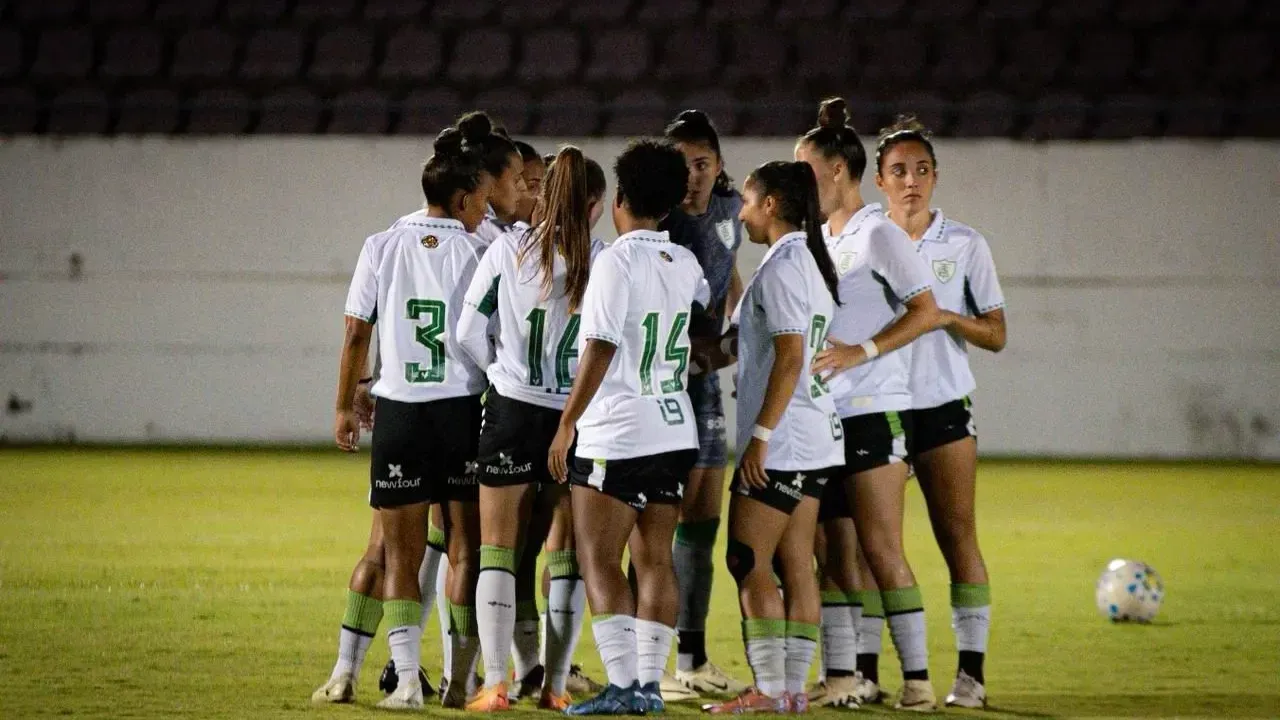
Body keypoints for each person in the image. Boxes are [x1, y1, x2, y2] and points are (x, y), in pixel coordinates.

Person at [330, 117, 494, 710]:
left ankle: (404, 683)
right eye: (479, 199)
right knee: (464, 550)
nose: (484, 208)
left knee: (400, 555)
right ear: (459, 197)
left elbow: (355, 333)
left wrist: (347, 404)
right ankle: (459, 680)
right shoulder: (483, 250)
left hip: (400, 412)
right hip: (459, 412)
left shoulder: (382, 244)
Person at [547, 139, 709, 716]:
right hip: (674, 429)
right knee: (656, 560)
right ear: (667, 205)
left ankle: (623, 685)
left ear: (619, 197)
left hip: (618, 431)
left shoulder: (614, 260)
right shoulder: (685, 263)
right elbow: (704, 315)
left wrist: (567, 423)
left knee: (598, 558)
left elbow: (601, 346)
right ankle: (647, 686)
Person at [797, 98, 943, 712]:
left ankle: (918, 680)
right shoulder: (818, 238)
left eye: (806, 170)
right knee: (831, 554)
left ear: (836, 172)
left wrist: (865, 350)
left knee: (882, 549)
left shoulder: (878, 233)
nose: (797, 182)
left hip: (874, 409)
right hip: (825, 415)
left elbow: (926, 310)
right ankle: (844, 678)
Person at [455, 145, 606, 712]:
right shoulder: (602, 258)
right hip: (575, 415)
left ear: (544, 192)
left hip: (514, 408)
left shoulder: (506, 251)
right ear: (593, 204)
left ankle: (496, 684)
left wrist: (498, 370)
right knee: (563, 551)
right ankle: (556, 686)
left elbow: (466, 331)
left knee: (498, 548)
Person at [699, 161, 844, 714]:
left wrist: (760, 436)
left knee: (747, 560)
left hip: (783, 440)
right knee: (796, 561)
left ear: (772, 205)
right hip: (814, 437)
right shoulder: (808, 261)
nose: (741, 212)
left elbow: (790, 357)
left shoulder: (784, 266)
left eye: (749, 201)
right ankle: (791, 691)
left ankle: (768, 688)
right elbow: (761, 348)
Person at [875, 116, 1008, 710]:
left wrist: (948, 317)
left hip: (942, 409)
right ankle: (859, 674)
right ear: (879, 179)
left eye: (922, 170)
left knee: (957, 534)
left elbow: (998, 334)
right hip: (877, 410)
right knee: (863, 546)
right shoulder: (865, 239)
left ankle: (971, 678)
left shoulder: (964, 243)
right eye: (899, 171)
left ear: (935, 177)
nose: (912, 182)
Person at [659, 109, 748, 699]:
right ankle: (653, 663)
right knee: (658, 525)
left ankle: (692, 658)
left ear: (718, 166)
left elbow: (730, 274)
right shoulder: (658, 222)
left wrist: (740, 321)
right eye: (683, 164)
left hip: (706, 379)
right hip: (663, 384)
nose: (693, 174)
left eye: (702, 162)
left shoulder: (730, 212)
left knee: (703, 519)